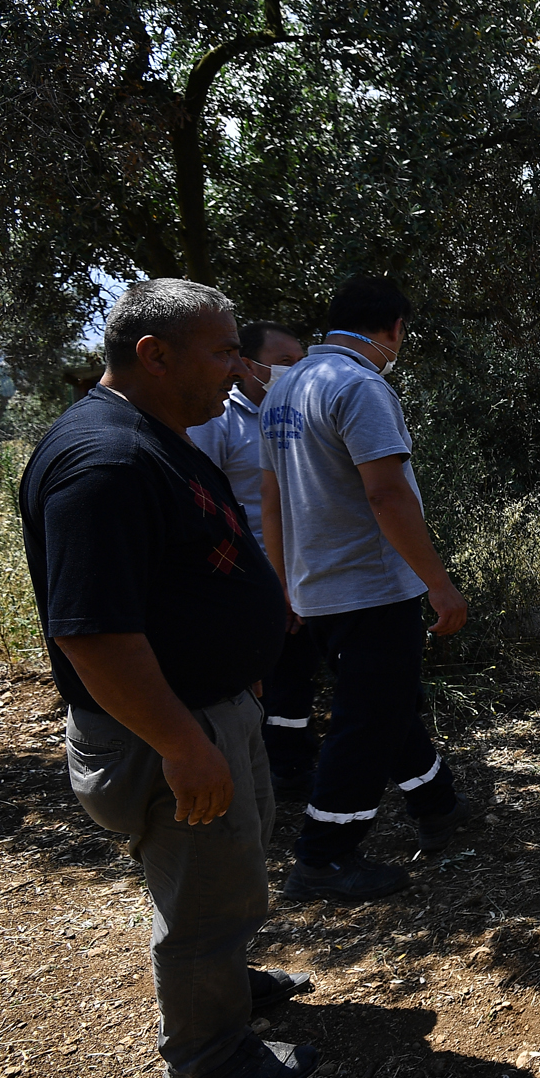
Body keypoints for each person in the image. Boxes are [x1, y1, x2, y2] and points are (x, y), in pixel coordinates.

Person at [19, 279, 318, 1078]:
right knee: (202, 902)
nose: (238, 365)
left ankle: (224, 983)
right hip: (171, 729)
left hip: (213, 710)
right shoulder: (105, 462)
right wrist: (184, 743)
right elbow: (91, 634)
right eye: (223, 350)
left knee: (228, 873)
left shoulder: (157, 435)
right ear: (154, 355)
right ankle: (210, 1054)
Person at [260, 276, 475, 902]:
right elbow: (386, 493)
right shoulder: (360, 385)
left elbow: (271, 496)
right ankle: (323, 856)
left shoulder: (286, 388)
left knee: (384, 699)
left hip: (319, 585)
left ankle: (437, 807)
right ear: (391, 329)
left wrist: (284, 582)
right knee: (365, 718)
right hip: (371, 587)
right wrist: (439, 585)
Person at [188, 321, 320, 798]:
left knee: (298, 674)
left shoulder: (298, 414)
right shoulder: (217, 421)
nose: (295, 371)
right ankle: (282, 768)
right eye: (285, 362)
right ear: (248, 364)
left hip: (307, 569)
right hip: (254, 575)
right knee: (276, 675)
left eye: (301, 360)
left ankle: (293, 758)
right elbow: (205, 499)